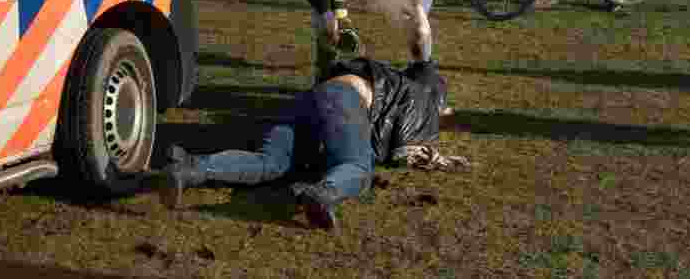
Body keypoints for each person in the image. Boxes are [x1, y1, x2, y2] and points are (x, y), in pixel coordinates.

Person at [158, 58, 467, 230]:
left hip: (310, 100)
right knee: (358, 168)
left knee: (269, 163)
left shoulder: (387, 76)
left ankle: (190, 170)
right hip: (344, 102)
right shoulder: (421, 97)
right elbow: (401, 152)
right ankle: (324, 194)